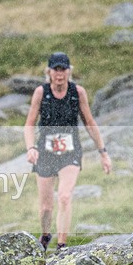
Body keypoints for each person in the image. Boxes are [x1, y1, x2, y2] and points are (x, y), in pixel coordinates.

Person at [24, 52, 111, 251]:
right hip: (45, 152)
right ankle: (46, 236)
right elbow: (29, 124)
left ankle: (62, 246)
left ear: (69, 71)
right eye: (56, 70)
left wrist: (103, 152)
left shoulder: (77, 92)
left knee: (64, 196)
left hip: (70, 151)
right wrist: (30, 148)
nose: (60, 74)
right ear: (49, 72)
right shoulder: (41, 93)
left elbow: (90, 123)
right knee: (46, 208)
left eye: (63, 69)